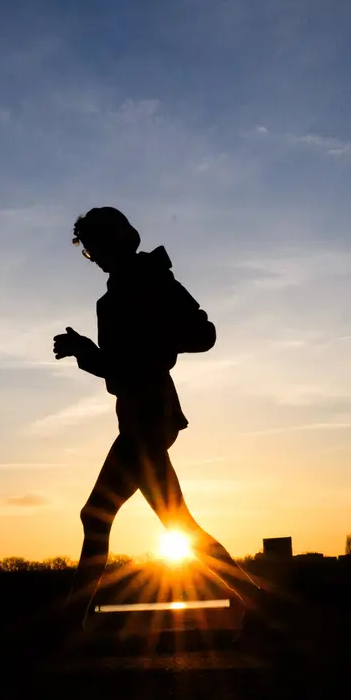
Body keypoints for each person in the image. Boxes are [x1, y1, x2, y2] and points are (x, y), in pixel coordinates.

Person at [53, 206, 262, 628]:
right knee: (175, 522)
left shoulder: (154, 279)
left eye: (98, 246)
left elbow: (203, 334)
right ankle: (262, 608)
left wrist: (152, 340)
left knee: (98, 515)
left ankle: (70, 623)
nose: (96, 256)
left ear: (120, 240)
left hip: (152, 414)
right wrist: (85, 352)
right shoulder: (109, 300)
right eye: (90, 251)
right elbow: (117, 366)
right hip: (134, 414)